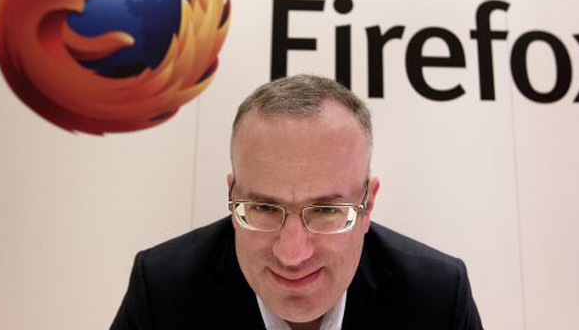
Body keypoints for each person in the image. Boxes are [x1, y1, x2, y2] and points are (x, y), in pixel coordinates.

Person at [110, 74, 484, 330]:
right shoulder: (162, 290)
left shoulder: (437, 298)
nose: (292, 254)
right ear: (233, 197)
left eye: (325, 210)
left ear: (367, 206)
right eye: (263, 208)